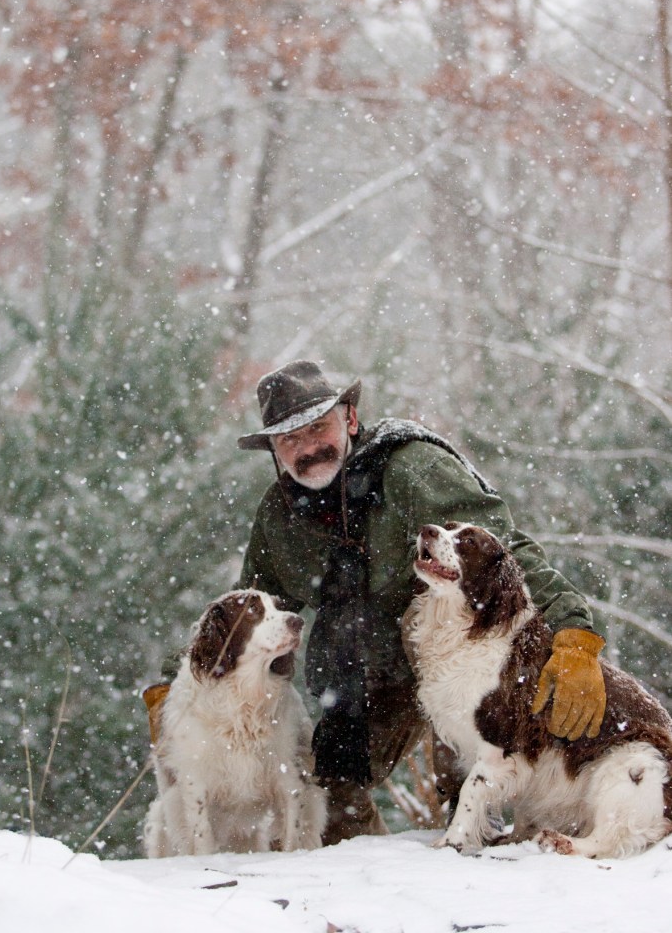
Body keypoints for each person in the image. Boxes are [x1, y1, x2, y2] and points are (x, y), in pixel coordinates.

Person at [230, 360, 607, 845]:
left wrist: (573, 636)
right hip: (362, 672)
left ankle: (471, 814)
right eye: (289, 440)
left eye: (317, 428)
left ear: (349, 418)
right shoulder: (279, 516)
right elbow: (252, 610)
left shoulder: (411, 468)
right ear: (274, 451)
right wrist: (179, 680)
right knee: (330, 801)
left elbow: (502, 550)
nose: (307, 448)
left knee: (423, 619)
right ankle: (355, 873)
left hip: (460, 653)